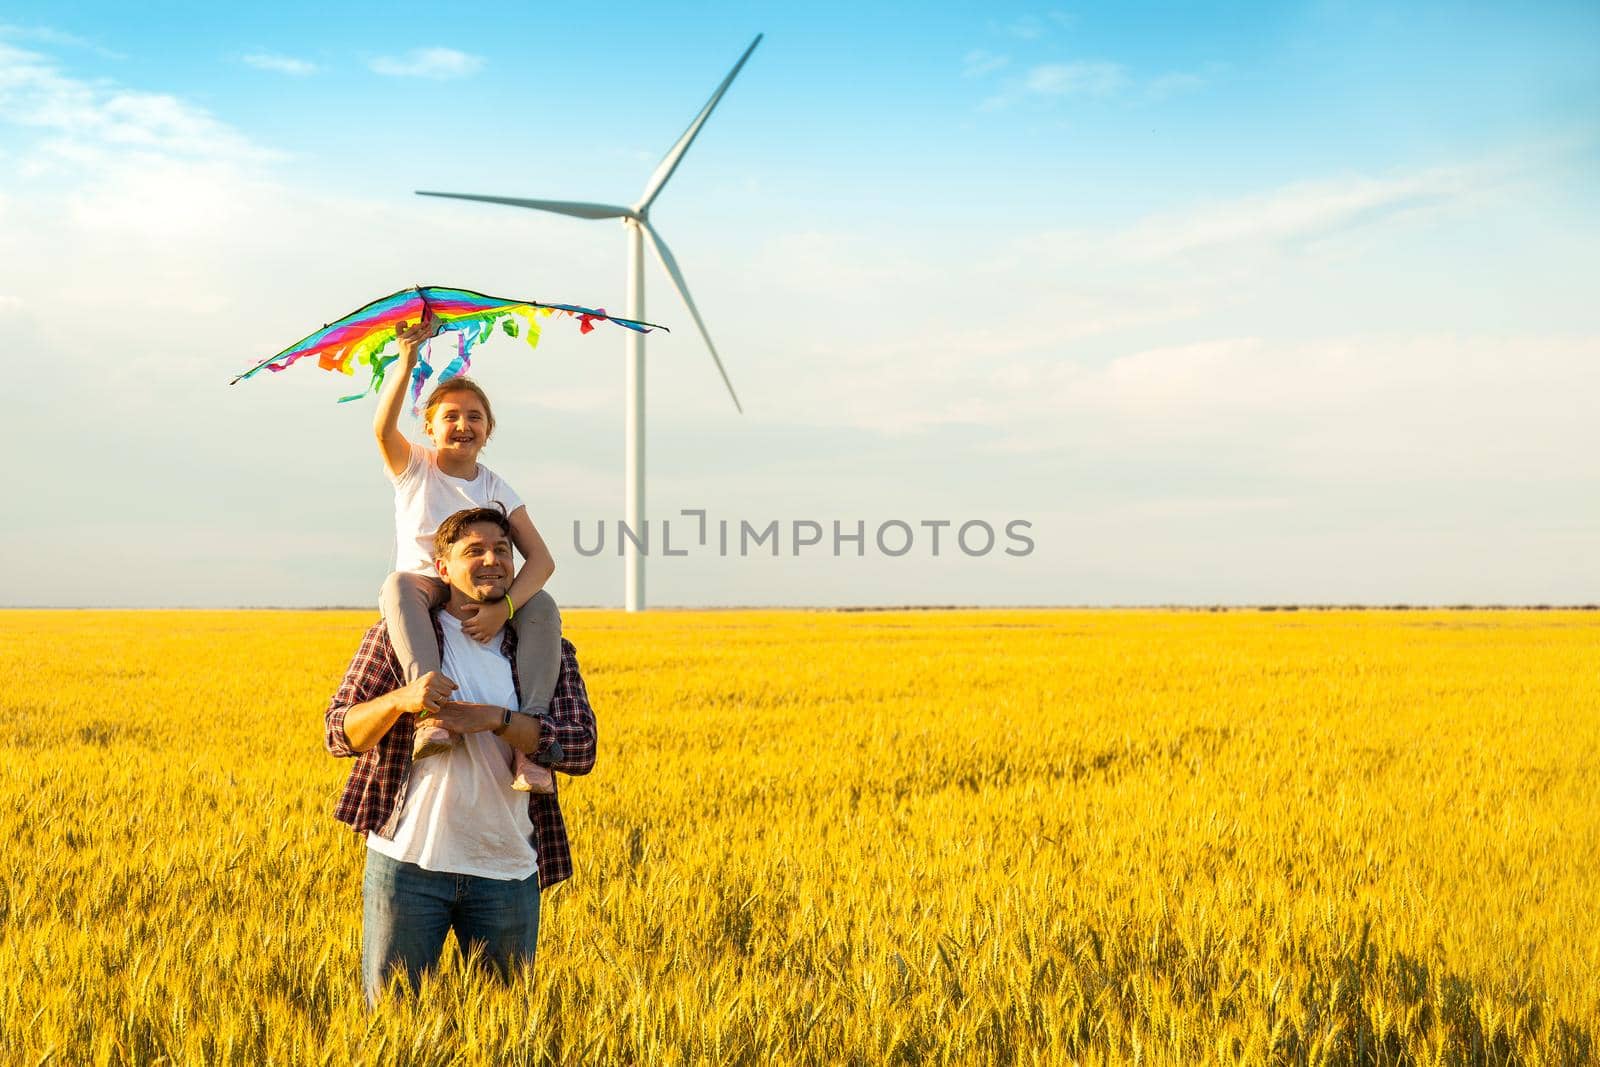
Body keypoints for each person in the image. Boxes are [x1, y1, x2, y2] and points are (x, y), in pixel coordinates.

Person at [324, 506, 599, 1006]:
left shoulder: (542, 645)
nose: (492, 560)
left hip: (508, 871)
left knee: (505, 1033)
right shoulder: (398, 638)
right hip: (407, 867)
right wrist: (402, 701)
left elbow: (581, 748)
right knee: (394, 1026)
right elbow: (339, 733)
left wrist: (498, 720)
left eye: (502, 550)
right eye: (474, 550)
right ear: (442, 568)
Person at [375, 312, 559, 792]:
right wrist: (406, 359)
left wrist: (507, 609)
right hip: (428, 585)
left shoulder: (498, 487)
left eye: (474, 417)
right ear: (430, 429)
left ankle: (531, 746)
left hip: (483, 591)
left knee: (543, 606)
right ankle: (431, 714)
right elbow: (381, 429)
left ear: (488, 429)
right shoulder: (416, 468)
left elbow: (541, 560)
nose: (463, 424)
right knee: (398, 587)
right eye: (450, 417)